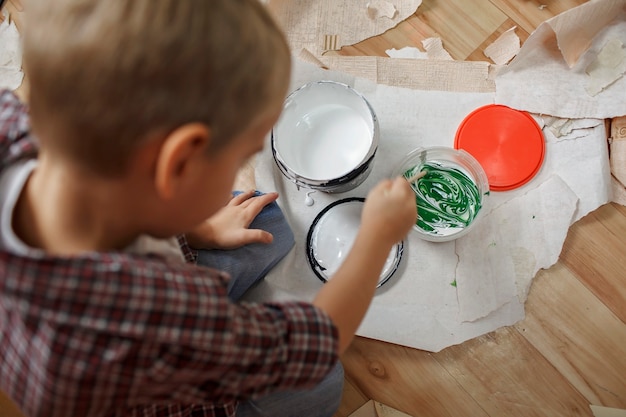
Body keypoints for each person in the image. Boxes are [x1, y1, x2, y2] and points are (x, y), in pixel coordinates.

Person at [0, 1, 417, 416]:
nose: (243, 168)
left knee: (273, 222)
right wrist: (377, 237)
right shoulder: (150, 318)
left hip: (110, 287)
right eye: (242, 156)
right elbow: (313, 345)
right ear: (179, 163)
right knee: (323, 386)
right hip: (167, 393)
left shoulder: (14, 124)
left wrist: (194, 231)